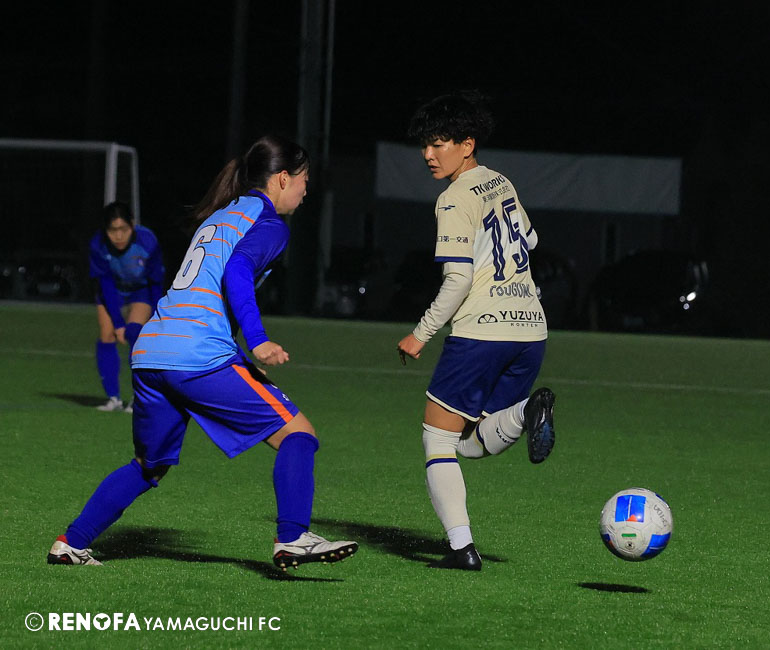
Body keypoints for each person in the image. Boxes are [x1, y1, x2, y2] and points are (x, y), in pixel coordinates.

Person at [48, 135, 358, 571]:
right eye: (305, 179)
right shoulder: (269, 224)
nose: (307, 190)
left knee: (149, 465)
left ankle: (70, 542)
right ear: (283, 178)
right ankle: (293, 537)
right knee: (298, 435)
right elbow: (237, 269)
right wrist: (257, 339)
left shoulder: (223, 214)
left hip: (151, 351)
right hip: (197, 354)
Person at [397, 91, 556, 571]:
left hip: (482, 333)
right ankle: (529, 410)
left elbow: (459, 279)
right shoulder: (500, 181)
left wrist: (421, 333)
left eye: (439, 143)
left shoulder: (453, 198)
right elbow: (530, 240)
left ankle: (461, 549)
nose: (428, 154)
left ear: (467, 144)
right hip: (531, 330)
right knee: (468, 441)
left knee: (437, 441)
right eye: (425, 145)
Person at [89, 201, 164, 412]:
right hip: (112, 291)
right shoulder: (98, 245)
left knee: (134, 333)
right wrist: (117, 322)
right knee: (107, 335)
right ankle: (113, 398)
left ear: (132, 224)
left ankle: (138, 397)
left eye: (123, 229)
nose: (119, 236)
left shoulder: (148, 241)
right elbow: (105, 284)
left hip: (141, 290)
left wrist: (157, 316)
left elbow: (156, 282)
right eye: (113, 230)